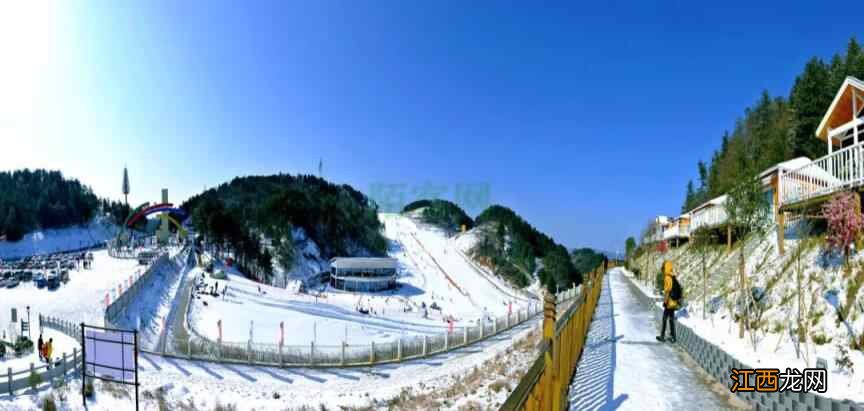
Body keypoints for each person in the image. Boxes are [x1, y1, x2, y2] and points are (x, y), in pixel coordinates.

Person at [656, 260, 680, 343]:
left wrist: (665, 301)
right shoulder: (673, 276)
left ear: (665, 268)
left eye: (663, 267)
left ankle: (662, 336)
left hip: (669, 301)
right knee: (671, 319)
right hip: (674, 301)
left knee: (665, 318)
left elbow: (667, 290)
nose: (662, 269)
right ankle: (673, 337)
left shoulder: (667, 277)